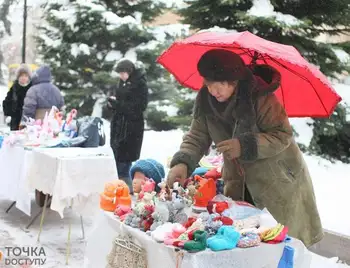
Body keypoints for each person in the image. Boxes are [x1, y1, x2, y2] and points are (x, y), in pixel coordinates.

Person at [166, 49, 323, 247]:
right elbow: (196, 137)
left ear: (234, 81)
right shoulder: (206, 102)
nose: (214, 91)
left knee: (280, 243)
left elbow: (282, 135)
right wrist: (182, 163)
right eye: (209, 85)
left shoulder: (261, 98)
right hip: (238, 182)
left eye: (220, 85)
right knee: (244, 243)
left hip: (276, 181)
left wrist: (245, 145)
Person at [21, 65, 64, 207]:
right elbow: (62, 107)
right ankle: (51, 192)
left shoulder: (33, 90)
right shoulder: (56, 90)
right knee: (51, 158)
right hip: (53, 128)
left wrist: (25, 124)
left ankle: (40, 192)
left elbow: (29, 108)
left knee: (38, 159)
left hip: (37, 127)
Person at [108, 59, 148, 193]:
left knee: (125, 159)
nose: (121, 76)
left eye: (123, 73)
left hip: (131, 127)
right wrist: (112, 104)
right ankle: (119, 187)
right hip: (119, 126)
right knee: (118, 157)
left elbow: (139, 107)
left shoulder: (139, 84)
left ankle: (126, 189)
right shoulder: (122, 82)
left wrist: (118, 105)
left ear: (130, 71)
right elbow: (120, 99)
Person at [2, 64, 32, 130]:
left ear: (29, 77)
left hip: (28, 121)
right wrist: (10, 112)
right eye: (21, 76)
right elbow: (6, 102)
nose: (23, 78)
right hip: (15, 121)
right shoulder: (14, 88)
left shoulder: (32, 88)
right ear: (18, 77)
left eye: (26, 76)